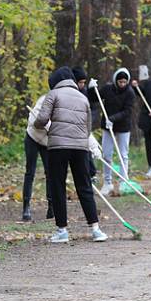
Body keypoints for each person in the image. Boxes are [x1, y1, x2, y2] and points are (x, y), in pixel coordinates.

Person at [34, 67, 107, 243]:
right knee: (84, 186)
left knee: (57, 185)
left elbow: (42, 119)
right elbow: (88, 127)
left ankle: (62, 230)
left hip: (58, 147)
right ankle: (96, 229)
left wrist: (38, 125)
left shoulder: (53, 95)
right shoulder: (83, 97)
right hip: (80, 147)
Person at [91, 67, 134, 195]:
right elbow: (94, 98)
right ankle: (108, 182)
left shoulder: (130, 93)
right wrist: (91, 88)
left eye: (124, 82)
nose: (122, 84)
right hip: (107, 127)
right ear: (116, 81)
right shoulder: (108, 89)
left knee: (123, 155)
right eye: (120, 81)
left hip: (123, 127)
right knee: (106, 155)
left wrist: (113, 119)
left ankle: (123, 182)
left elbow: (128, 111)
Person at [23, 93, 52, 221]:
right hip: (33, 137)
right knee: (30, 171)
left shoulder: (65, 103)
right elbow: (33, 120)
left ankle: (52, 206)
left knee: (50, 173)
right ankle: (26, 207)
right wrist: (49, 126)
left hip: (47, 142)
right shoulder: (44, 100)